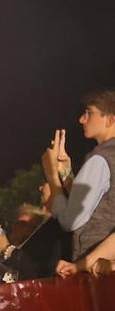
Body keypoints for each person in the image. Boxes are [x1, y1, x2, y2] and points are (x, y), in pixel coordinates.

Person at [42, 89, 115, 262]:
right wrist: (66, 174)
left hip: (95, 267)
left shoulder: (100, 159)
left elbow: (70, 220)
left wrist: (51, 174)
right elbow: (99, 203)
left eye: (89, 113)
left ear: (110, 119)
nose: (82, 119)